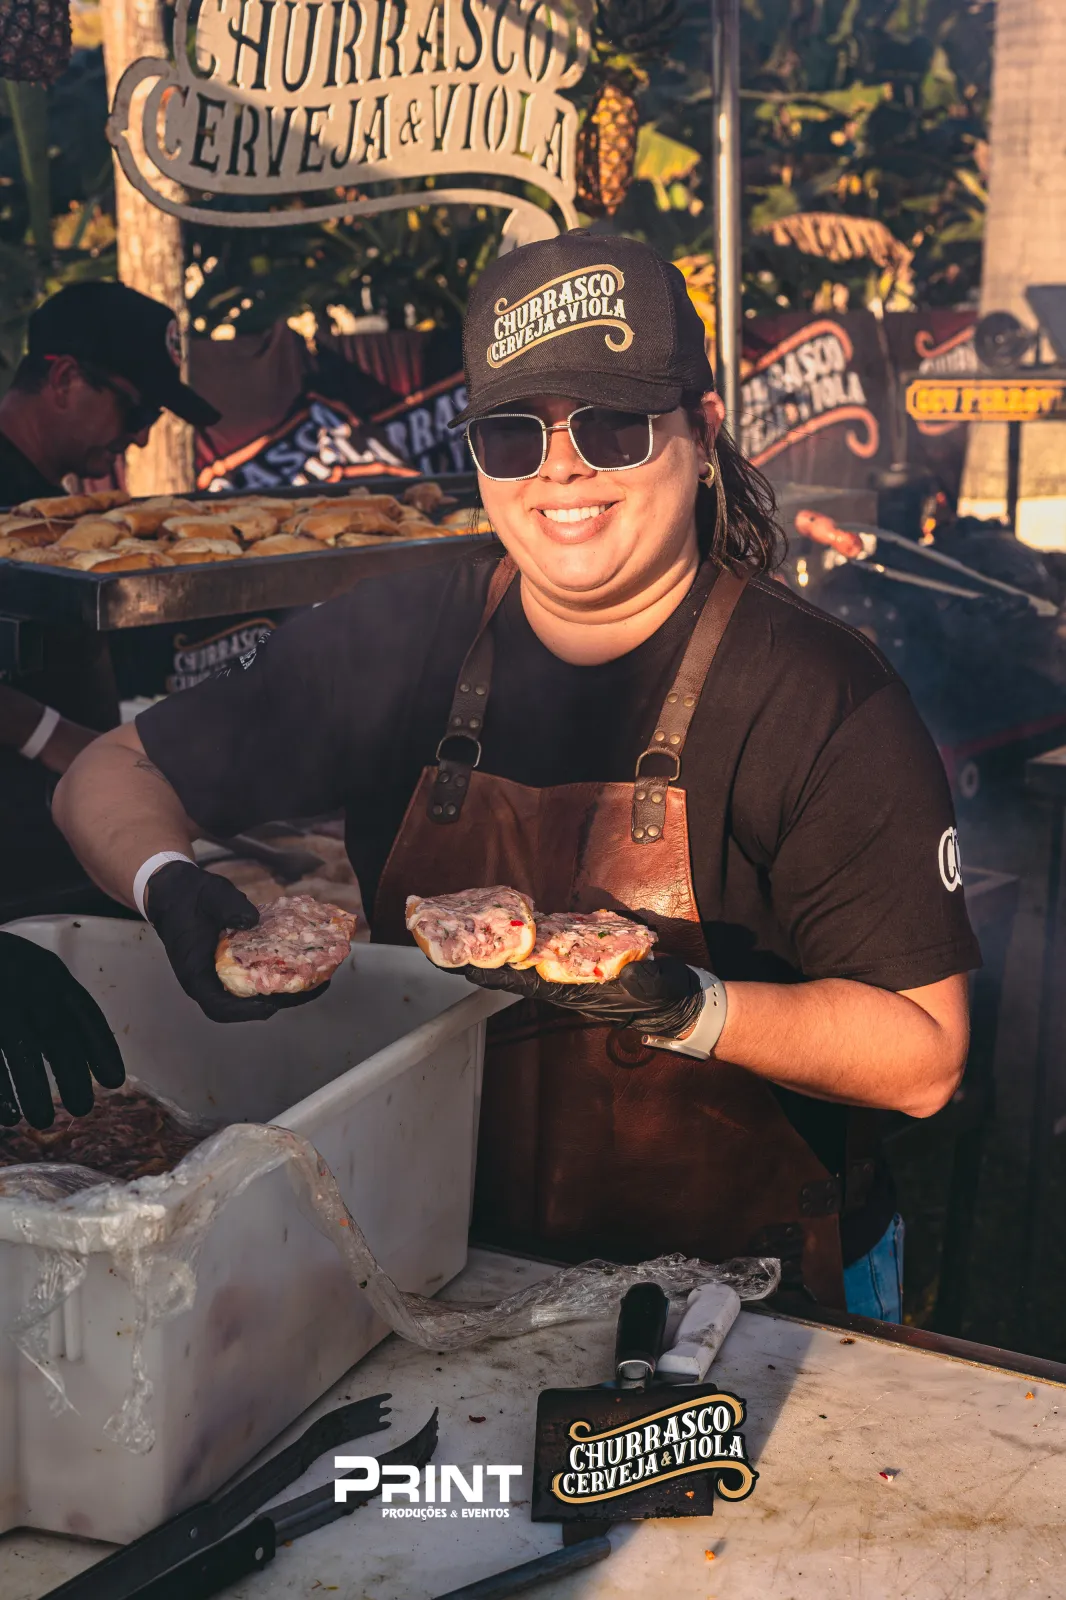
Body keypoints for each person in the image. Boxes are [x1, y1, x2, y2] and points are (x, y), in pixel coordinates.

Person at [52, 234, 980, 1320]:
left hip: (745, 1295)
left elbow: (923, 1054)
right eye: (512, 434)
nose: (561, 468)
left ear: (703, 428)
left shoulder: (815, 692)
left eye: (612, 424)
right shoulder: (406, 635)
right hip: (431, 1256)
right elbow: (107, 771)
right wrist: (170, 885)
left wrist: (688, 1005)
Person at [0, 280, 220, 503]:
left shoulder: (32, 501)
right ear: (65, 380)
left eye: (153, 416)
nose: (142, 438)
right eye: (137, 413)